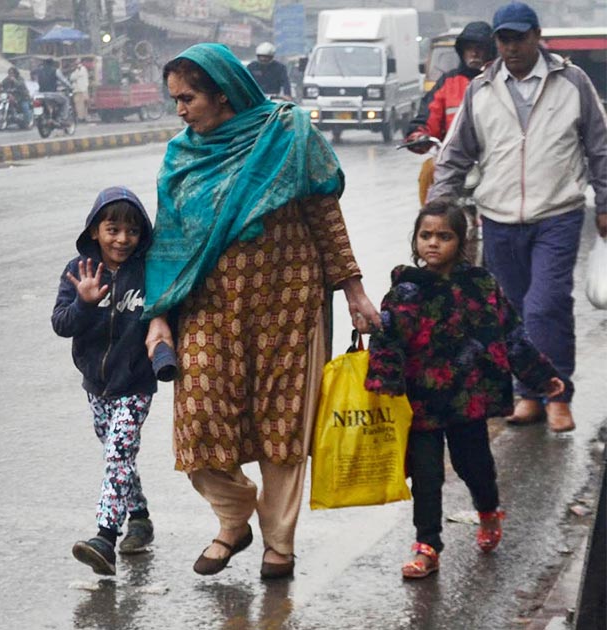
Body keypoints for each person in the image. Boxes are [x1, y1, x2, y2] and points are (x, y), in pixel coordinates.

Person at [142, 43, 381, 581]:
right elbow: (171, 241)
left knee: (283, 425)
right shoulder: (182, 156)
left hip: (287, 303)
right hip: (208, 308)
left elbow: (325, 216)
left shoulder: (288, 134)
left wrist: (354, 290)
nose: (180, 110)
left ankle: (279, 543)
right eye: (175, 99)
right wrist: (158, 314)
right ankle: (234, 517)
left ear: (222, 93)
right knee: (199, 423)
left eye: (188, 98)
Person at [428, 2, 607, 432]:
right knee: (510, 312)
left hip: (557, 213)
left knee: (546, 306)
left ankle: (557, 393)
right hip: (500, 217)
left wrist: (604, 202)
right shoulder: (482, 89)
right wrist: (436, 209)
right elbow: (454, 155)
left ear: (536, 35)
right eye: (503, 39)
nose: (510, 47)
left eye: (519, 38)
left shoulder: (572, 82)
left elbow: (600, 147)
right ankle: (527, 393)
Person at [365, 200, 565, 579]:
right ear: (415, 240)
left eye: (444, 236)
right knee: (425, 476)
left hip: (467, 398)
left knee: (474, 466)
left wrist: (540, 376)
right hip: (421, 401)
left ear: (462, 240)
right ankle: (427, 545)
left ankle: (488, 512)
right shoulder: (406, 289)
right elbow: (386, 339)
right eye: (426, 236)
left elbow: (511, 335)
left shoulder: (481, 285)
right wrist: (383, 381)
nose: (433, 244)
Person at [52, 186, 157, 576]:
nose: (122, 239)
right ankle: (141, 518)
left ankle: (105, 538)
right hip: (96, 386)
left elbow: (167, 316)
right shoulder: (79, 271)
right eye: (112, 229)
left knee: (117, 455)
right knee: (119, 457)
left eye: (131, 231)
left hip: (135, 384)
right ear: (95, 231)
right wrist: (84, 302)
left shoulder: (149, 272)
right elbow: (61, 324)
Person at [405, 22, 496, 206]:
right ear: (461, 51)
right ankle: (429, 219)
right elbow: (428, 117)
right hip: (453, 158)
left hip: (493, 159)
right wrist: (419, 135)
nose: (474, 53)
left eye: (480, 48)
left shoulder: (500, 81)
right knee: (428, 170)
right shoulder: (448, 82)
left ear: (490, 51)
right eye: (469, 48)